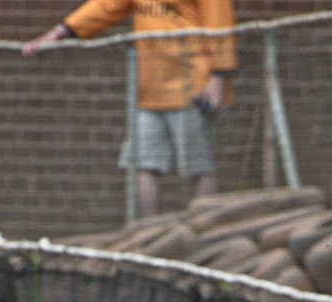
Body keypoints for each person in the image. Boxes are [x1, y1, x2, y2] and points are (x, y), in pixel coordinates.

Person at [23, 0, 238, 218]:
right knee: (141, 164)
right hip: (149, 89)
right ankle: (148, 238)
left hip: (194, 85)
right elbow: (105, 6)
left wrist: (219, 76)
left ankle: (203, 231)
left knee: (199, 167)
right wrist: (60, 32)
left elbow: (219, 22)